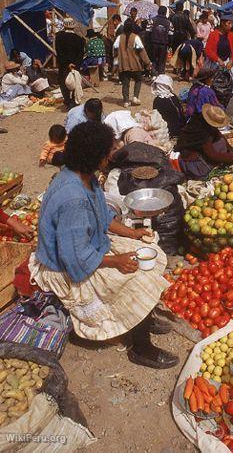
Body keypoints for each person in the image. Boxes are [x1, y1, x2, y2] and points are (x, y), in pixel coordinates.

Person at [29, 122, 178, 369]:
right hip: (66, 267)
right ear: (93, 155)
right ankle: (141, 348)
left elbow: (104, 217)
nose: (112, 155)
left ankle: (141, 317)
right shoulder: (73, 199)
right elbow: (76, 259)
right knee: (137, 279)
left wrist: (132, 233)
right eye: (108, 151)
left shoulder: (84, 177)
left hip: (87, 248)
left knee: (152, 254)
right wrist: (116, 261)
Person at [176, 104, 233, 180]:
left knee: (220, 141)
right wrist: (231, 157)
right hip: (191, 161)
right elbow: (212, 155)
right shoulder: (200, 130)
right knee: (206, 174)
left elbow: (220, 136)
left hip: (200, 152)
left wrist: (230, 149)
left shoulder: (206, 124)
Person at [205, 13, 233, 105]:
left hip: (228, 63)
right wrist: (218, 60)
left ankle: (230, 104)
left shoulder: (232, 36)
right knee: (212, 84)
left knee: (232, 84)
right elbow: (208, 50)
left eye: (231, 23)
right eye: (229, 23)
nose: (231, 25)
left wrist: (232, 61)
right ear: (222, 23)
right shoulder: (213, 35)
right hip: (215, 63)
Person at [118, 22, 151, 107]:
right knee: (138, 80)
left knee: (125, 83)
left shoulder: (120, 37)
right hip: (135, 64)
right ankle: (135, 97)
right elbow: (142, 51)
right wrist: (147, 62)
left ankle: (126, 101)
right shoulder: (135, 37)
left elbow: (114, 49)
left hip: (124, 65)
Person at [55, 18, 85, 109]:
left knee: (64, 83)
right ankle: (73, 100)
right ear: (74, 26)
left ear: (64, 25)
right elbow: (81, 54)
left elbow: (59, 52)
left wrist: (67, 63)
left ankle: (67, 100)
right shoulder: (79, 39)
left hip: (64, 65)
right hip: (75, 66)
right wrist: (75, 64)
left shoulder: (59, 37)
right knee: (75, 82)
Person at [146, 6, 173, 76]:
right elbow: (171, 34)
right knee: (162, 61)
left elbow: (148, 32)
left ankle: (153, 75)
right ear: (166, 13)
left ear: (158, 11)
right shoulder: (169, 23)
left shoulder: (152, 20)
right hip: (164, 45)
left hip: (153, 44)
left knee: (153, 60)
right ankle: (160, 76)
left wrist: (149, 43)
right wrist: (169, 45)